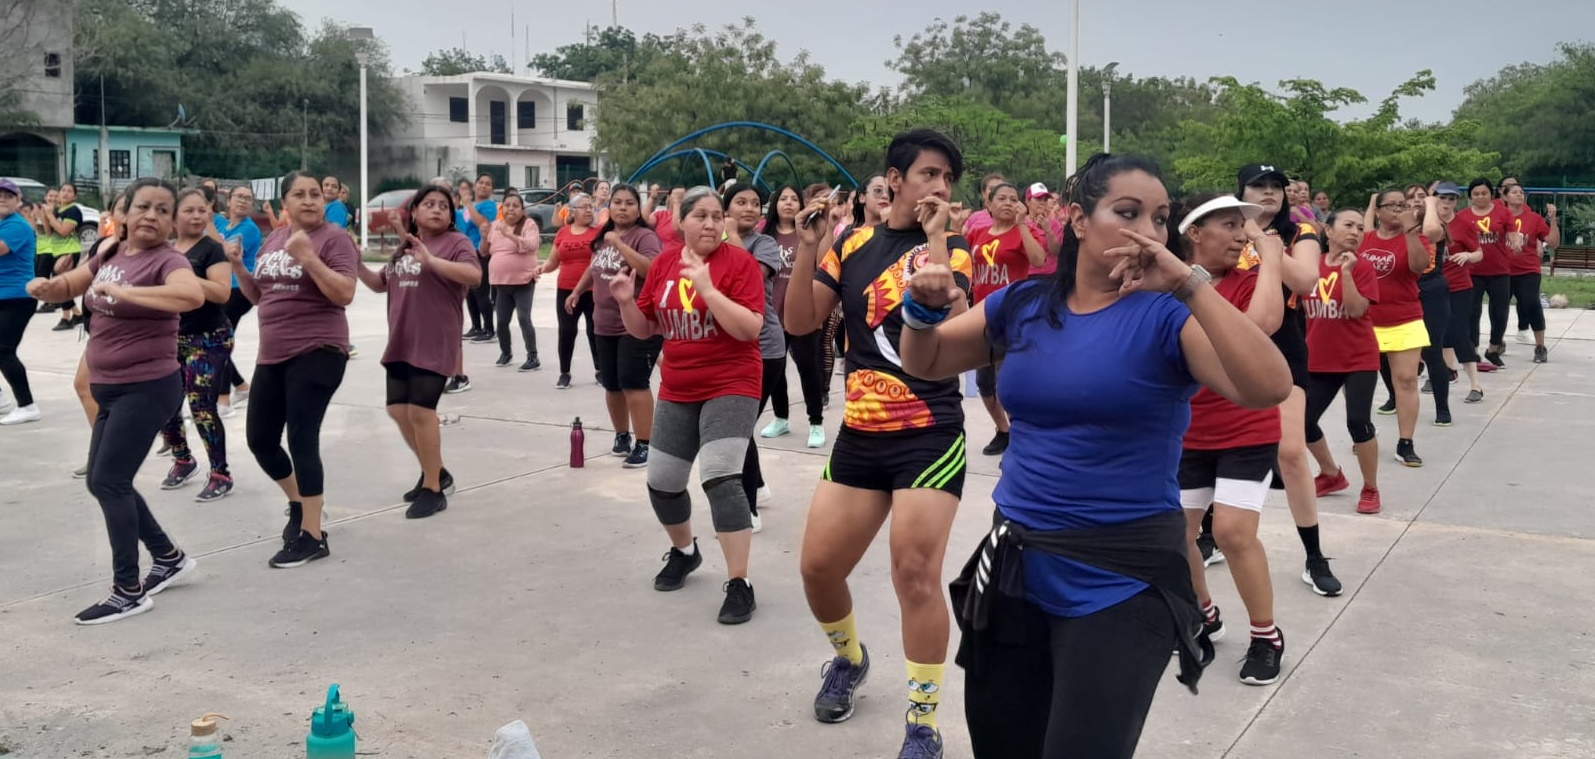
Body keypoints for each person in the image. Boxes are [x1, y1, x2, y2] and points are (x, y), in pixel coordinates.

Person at [901, 154, 1291, 759]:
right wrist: (922, 310)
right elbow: (926, 361)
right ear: (1079, 220)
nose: (1147, 231)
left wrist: (1188, 285)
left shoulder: (1167, 316)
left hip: (1123, 575)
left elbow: (1268, 386)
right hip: (1017, 565)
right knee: (1003, 745)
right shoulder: (1024, 304)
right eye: (1127, 212)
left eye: (1159, 218)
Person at [785, 129, 973, 759]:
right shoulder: (852, 243)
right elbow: (800, 321)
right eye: (928, 174)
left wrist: (938, 240)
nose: (940, 186)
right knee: (817, 570)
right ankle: (849, 659)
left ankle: (923, 723)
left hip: (928, 433)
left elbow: (957, 325)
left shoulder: (955, 247)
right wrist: (808, 249)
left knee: (915, 575)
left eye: (948, 178)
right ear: (894, 180)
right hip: (861, 434)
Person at [27, 178, 206, 624]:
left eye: (162, 210)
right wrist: (50, 287)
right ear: (123, 213)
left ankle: (128, 589)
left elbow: (192, 294)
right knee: (103, 480)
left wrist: (128, 294)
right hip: (109, 386)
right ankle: (168, 557)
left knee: (109, 480)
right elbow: (76, 281)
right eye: (143, 206)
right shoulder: (110, 251)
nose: (151, 216)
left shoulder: (169, 260)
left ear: (171, 222)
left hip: (147, 387)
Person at [610, 185, 764, 624]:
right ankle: (684, 551)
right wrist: (625, 302)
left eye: (717, 216)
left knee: (720, 476)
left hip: (732, 382)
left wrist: (709, 290)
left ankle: (739, 582)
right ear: (681, 221)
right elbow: (644, 329)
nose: (711, 224)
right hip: (679, 387)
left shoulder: (740, 264)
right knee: (662, 481)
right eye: (701, 216)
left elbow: (750, 329)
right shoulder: (663, 264)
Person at [1169, 192, 1291, 688]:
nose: (1242, 235)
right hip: (1186, 431)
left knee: (1233, 533)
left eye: (1244, 227)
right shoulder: (1169, 283)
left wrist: (1272, 258)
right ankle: (1203, 614)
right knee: (1176, 533)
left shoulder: (1248, 281)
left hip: (1246, 429)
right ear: (1194, 233)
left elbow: (1262, 325)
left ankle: (1266, 636)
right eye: (1230, 225)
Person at [227, 171, 358, 568]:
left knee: (302, 437)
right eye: (299, 194)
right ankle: (299, 503)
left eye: (315, 194)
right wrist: (238, 267)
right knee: (260, 439)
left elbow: (344, 293)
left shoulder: (334, 239)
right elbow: (259, 295)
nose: (309, 200)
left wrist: (309, 258)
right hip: (273, 352)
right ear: (285, 203)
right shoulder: (275, 238)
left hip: (319, 348)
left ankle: (313, 536)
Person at [1229, 163, 1341, 597]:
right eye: (1258, 186)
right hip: (1226, 336)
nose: (1269, 193)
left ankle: (1314, 555)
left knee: (1291, 452)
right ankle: (1208, 535)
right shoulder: (1225, 227)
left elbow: (1307, 281)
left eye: (1276, 186)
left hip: (1283, 340)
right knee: (1213, 443)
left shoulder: (1301, 232)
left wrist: (1262, 241)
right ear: (1241, 191)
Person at [356, 185, 481, 518]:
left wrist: (432, 260)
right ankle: (436, 471)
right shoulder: (406, 247)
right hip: (402, 339)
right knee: (398, 410)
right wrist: (356, 264)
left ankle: (433, 489)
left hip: (434, 338)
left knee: (421, 412)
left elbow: (474, 275)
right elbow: (379, 283)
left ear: (451, 215)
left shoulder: (456, 243)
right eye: (429, 204)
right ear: (414, 212)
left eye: (444, 206)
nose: (437, 209)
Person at [570, 184, 661, 467]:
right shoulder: (603, 236)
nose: (623, 208)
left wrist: (620, 244)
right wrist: (577, 291)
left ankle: (645, 443)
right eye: (618, 202)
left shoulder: (645, 236)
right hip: (604, 323)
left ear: (638, 208)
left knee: (633, 383)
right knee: (611, 384)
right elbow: (594, 267)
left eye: (630, 203)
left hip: (637, 323)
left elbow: (651, 269)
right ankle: (622, 435)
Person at [156, 190, 237, 501]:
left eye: (202, 210)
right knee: (164, 402)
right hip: (172, 336)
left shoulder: (212, 250)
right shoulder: (165, 250)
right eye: (189, 210)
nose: (197, 216)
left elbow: (221, 293)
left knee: (200, 404)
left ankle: (220, 474)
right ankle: (183, 459)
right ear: (174, 216)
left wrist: (183, 274)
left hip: (210, 338)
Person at [1303, 209, 1383, 515]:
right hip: (1318, 358)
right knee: (1302, 421)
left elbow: (1355, 310)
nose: (1355, 232)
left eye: (1360, 228)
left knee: (1358, 422)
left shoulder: (1362, 267)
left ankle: (1370, 487)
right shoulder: (1311, 264)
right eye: (1348, 225)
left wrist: (1347, 273)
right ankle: (1330, 473)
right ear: (1328, 230)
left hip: (1358, 357)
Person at [964, 181, 1047, 455]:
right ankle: (1003, 430)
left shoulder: (1023, 231)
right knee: (984, 383)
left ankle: (1021, 439)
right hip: (981, 317)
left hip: (1012, 318)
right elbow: (960, 260)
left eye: (1013, 198)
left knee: (1007, 383)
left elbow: (1038, 259)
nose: (1009, 203)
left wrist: (1022, 225)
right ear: (988, 204)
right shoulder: (978, 233)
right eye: (1002, 198)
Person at [1358, 188, 1433, 467]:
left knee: (1406, 380)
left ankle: (1406, 443)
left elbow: (1419, 266)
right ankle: (1363, 433)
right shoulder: (1365, 239)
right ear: (1378, 212)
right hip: (1365, 321)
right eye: (1391, 205)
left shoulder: (1416, 237)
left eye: (1403, 205)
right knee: (1361, 383)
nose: (1399, 210)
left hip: (1405, 318)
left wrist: (1411, 230)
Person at [759, 185, 829, 448]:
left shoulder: (809, 233)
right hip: (772, 314)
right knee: (775, 370)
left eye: (793, 199)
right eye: (783, 199)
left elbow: (823, 267)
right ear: (775, 204)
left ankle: (816, 423)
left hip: (802, 315)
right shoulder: (764, 236)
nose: (788, 203)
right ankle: (781, 418)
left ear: (802, 204)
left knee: (808, 369)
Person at [216, 185, 263, 419]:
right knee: (217, 341)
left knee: (219, 341)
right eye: (239, 197)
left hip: (239, 289)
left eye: (248, 198)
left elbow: (225, 252)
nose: (243, 201)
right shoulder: (222, 225)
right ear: (229, 200)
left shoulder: (249, 229)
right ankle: (242, 387)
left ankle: (223, 400)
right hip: (223, 286)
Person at [1454, 179, 1511, 368]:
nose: (1480, 197)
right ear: (1470, 196)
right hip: (1472, 272)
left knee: (1500, 312)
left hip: (1499, 270)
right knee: (1472, 312)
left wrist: (1516, 240)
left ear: (1491, 194)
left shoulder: (1502, 212)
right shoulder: (1462, 216)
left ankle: (1494, 348)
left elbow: (1512, 232)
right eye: (1476, 194)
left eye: (1484, 193)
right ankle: (1473, 350)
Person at [485, 190, 543, 371]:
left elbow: (532, 245)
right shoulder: (495, 225)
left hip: (524, 281)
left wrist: (509, 234)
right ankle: (506, 352)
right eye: (507, 205)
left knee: (524, 318)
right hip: (501, 283)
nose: (511, 209)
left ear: (522, 209)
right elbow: (485, 250)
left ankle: (532, 356)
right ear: (502, 208)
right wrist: (483, 236)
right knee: (502, 321)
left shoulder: (529, 224)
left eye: (515, 206)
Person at [0, 179, 40, 425]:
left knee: (3, 350)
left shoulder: (16, 225)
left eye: (8, 195)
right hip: (3, 297)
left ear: (18, 201)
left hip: (17, 298)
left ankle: (27, 405)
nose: (2, 199)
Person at [551, 194, 600, 389]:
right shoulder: (563, 232)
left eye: (591, 207)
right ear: (572, 211)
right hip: (565, 288)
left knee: (594, 330)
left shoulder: (599, 232)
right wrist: (541, 268)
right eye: (584, 207)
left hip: (593, 289)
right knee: (566, 331)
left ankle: (600, 370)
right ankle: (564, 372)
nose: (588, 210)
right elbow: (553, 261)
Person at [1503, 184, 1555, 363]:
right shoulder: (1498, 217)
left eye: (1521, 192)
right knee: (1499, 308)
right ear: (1505, 196)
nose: (1519, 194)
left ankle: (1540, 346)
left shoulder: (1533, 218)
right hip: (1502, 270)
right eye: (1514, 192)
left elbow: (1553, 242)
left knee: (1532, 304)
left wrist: (1553, 221)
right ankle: (1496, 342)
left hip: (1527, 270)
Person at [36, 182, 84, 329]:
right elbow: (48, 232)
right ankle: (76, 314)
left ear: (75, 196)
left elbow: (63, 231)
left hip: (70, 250)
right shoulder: (56, 210)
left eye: (69, 191)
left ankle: (66, 317)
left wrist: (50, 216)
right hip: (56, 250)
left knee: (60, 284)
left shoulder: (73, 210)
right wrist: (43, 216)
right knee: (60, 285)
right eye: (63, 190)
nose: (65, 193)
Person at [462, 174, 500, 344]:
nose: (483, 186)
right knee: (469, 292)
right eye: (481, 182)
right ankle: (476, 327)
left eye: (488, 184)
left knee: (481, 290)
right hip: (466, 252)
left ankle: (489, 329)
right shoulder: (468, 207)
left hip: (481, 252)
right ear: (475, 185)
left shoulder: (489, 206)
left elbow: (482, 224)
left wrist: (468, 204)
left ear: (491, 189)